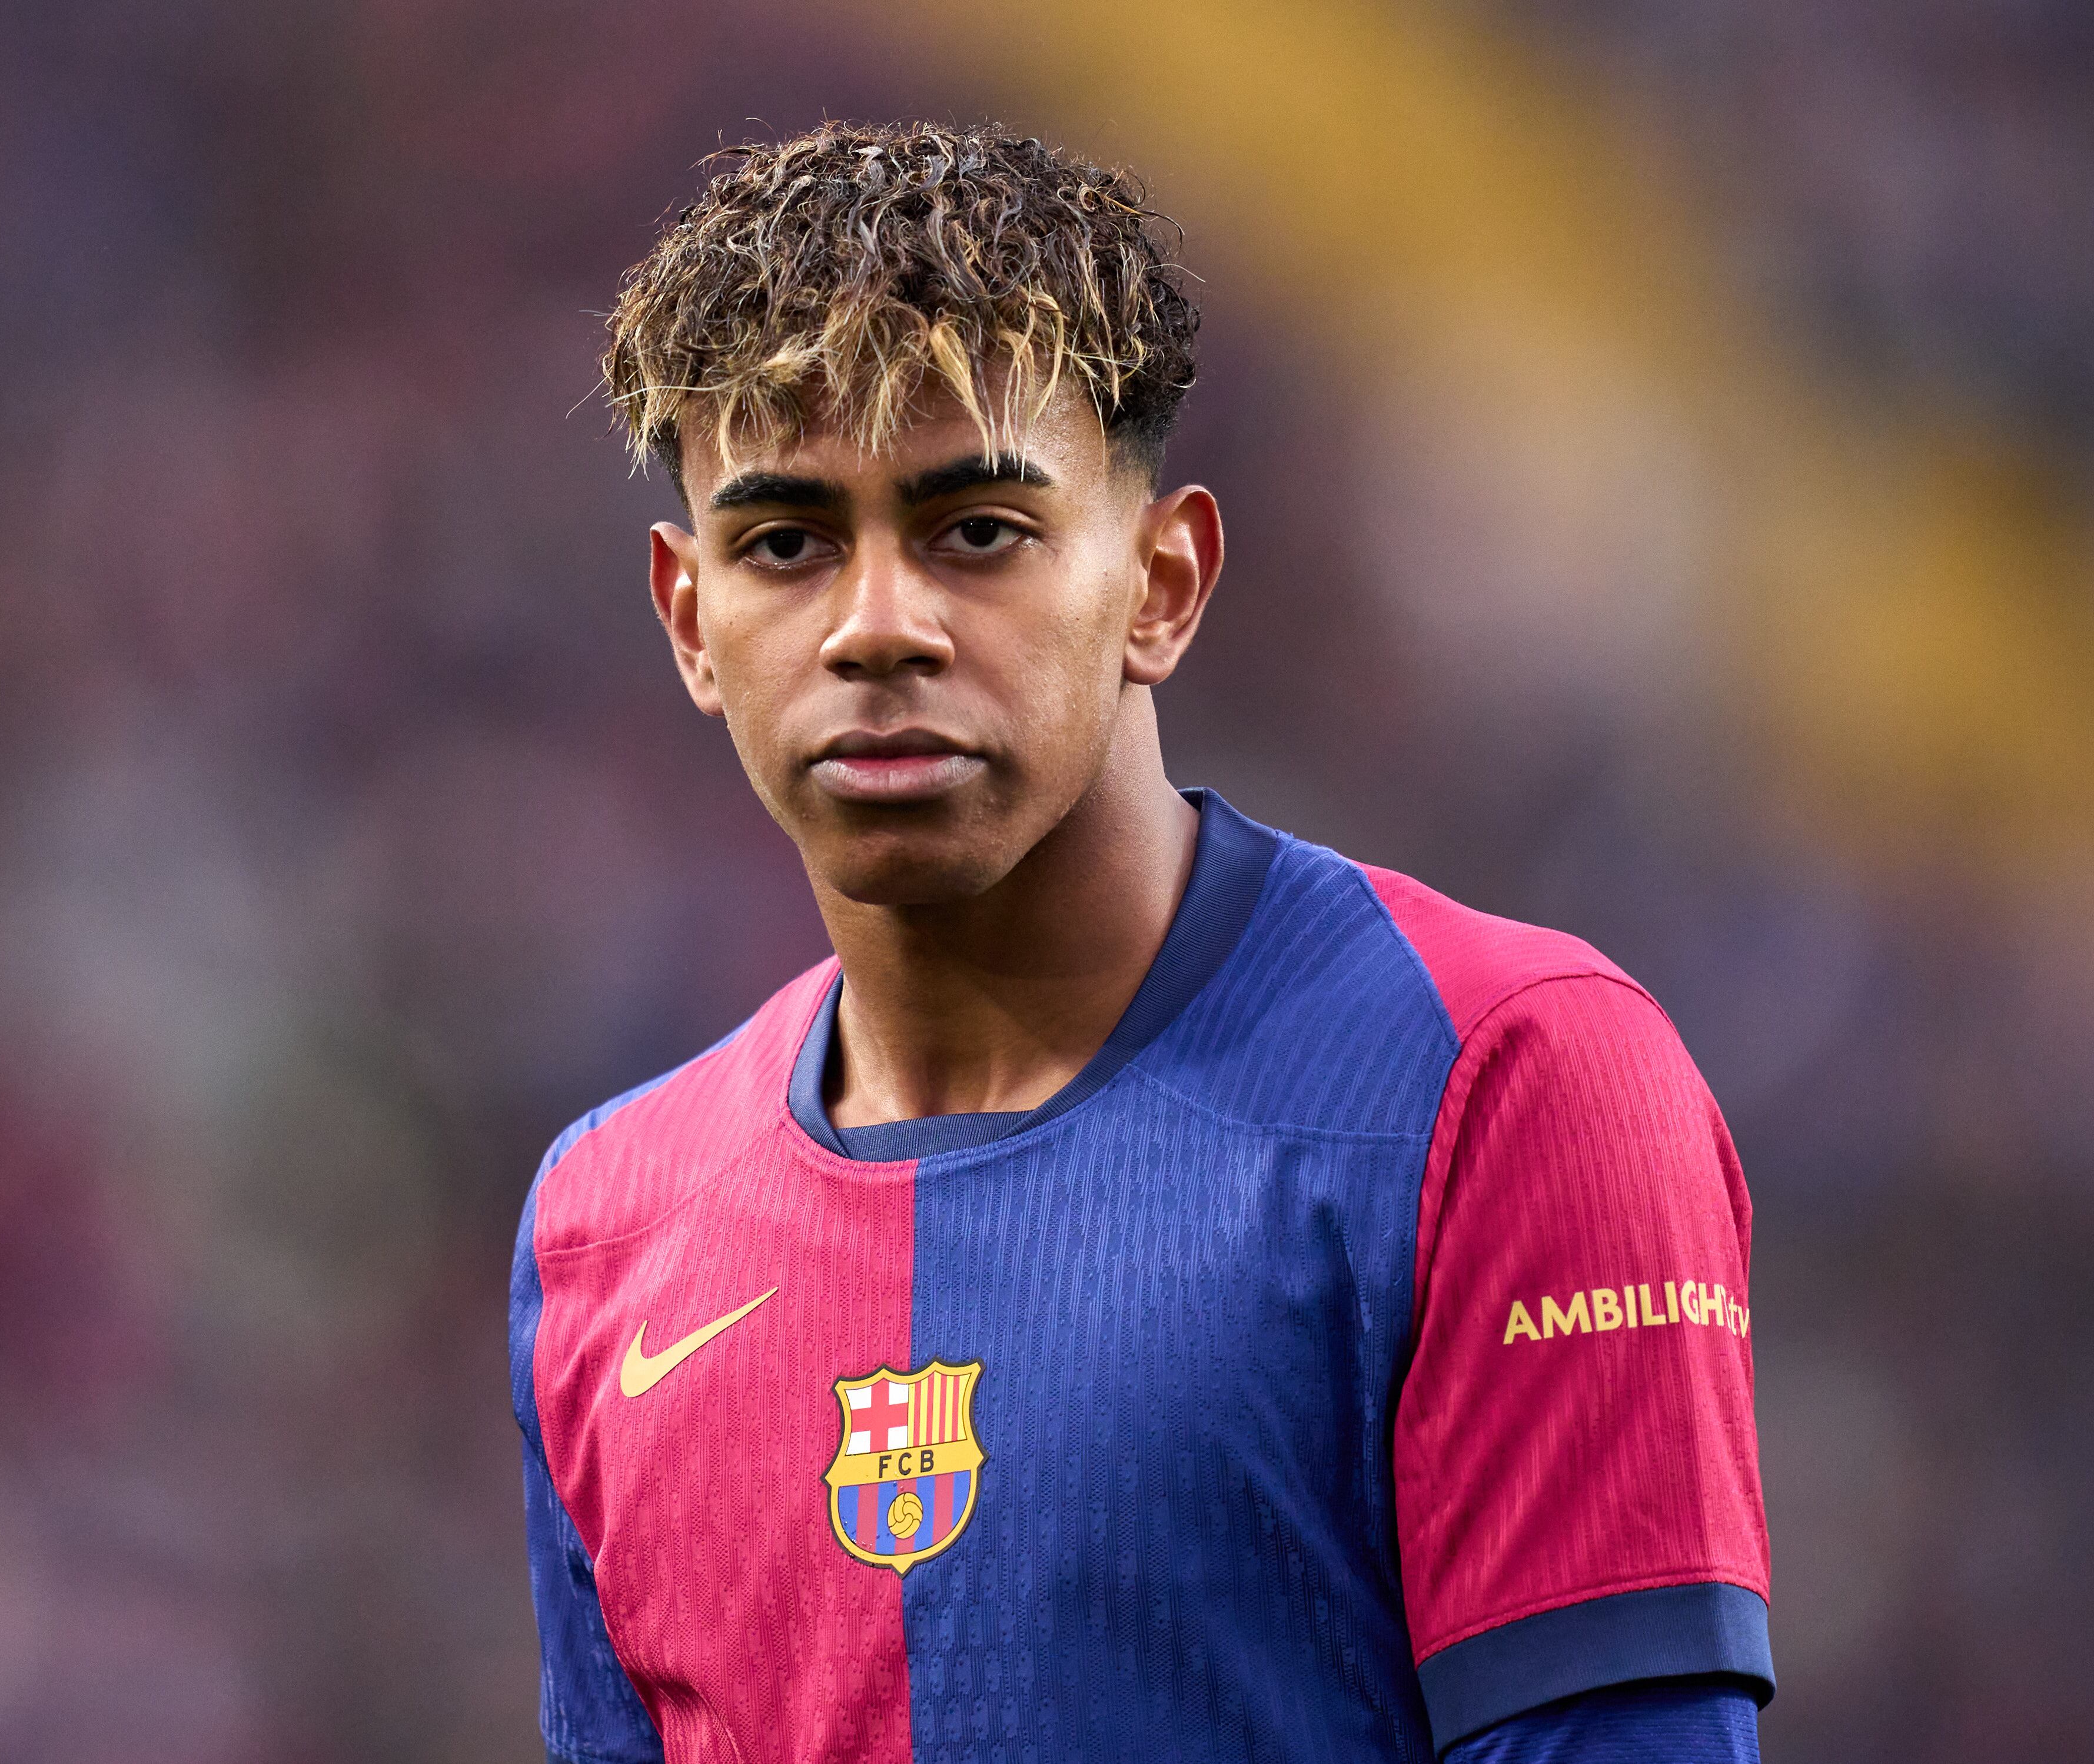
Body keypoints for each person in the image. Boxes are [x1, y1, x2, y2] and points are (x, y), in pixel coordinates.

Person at [508, 120, 1769, 1763]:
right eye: (786, 543)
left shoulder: (1504, 1076)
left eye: (978, 530)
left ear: (1162, 583)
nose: (878, 622)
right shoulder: (603, 1227)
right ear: (691, 619)